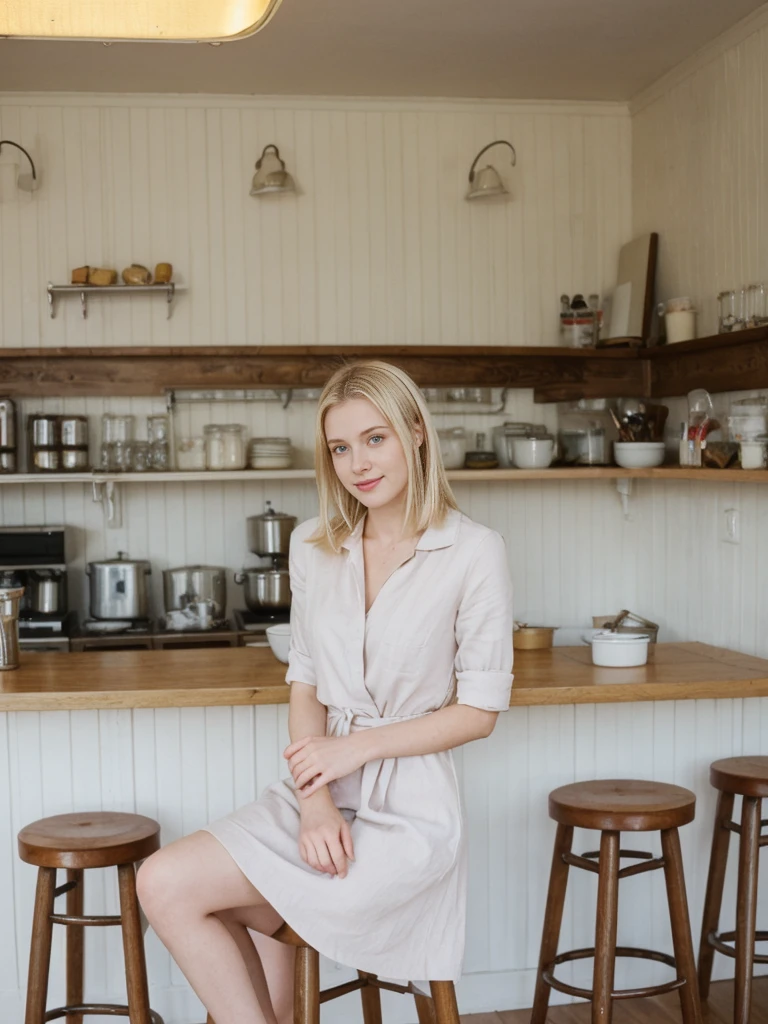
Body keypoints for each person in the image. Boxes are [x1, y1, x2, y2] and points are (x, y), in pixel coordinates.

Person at [137, 360, 514, 1024]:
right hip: (315, 791)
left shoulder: (475, 550)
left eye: (375, 439)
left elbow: (479, 713)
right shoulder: (313, 543)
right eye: (340, 447)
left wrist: (356, 750)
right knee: (161, 880)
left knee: (239, 908)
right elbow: (305, 681)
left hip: (411, 814)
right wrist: (314, 804)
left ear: (417, 432)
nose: (357, 464)